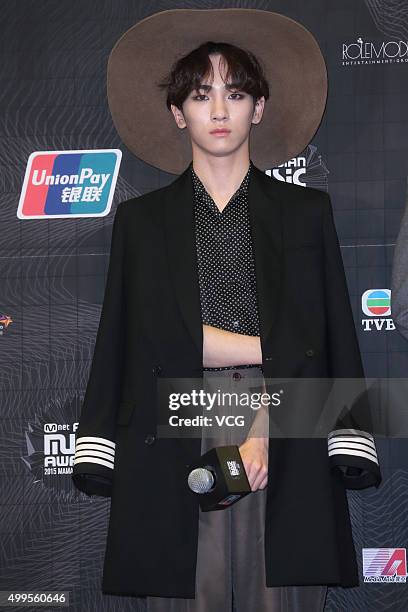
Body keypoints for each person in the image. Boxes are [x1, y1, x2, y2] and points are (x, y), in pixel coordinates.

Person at [72, 9, 381, 611]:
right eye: (200, 94)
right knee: (185, 592)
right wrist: (280, 347)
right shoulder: (142, 224)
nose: (218, 111)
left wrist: (270, 422)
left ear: (258, 108)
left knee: (281, 594)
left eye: (235, 94)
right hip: (172, 426)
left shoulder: (304, 212)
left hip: (285, 426)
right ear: (176, 112)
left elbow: (332, 334)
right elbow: (136, 340)